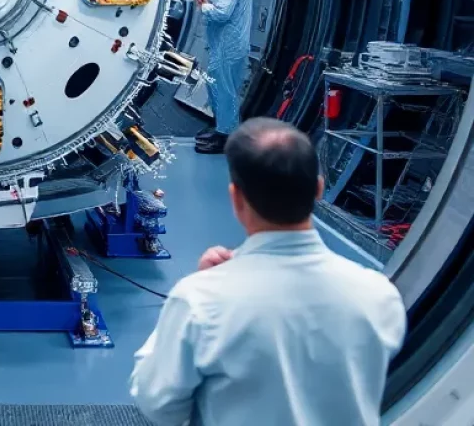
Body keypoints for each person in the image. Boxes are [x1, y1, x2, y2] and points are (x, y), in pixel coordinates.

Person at [131, 118, 406, 426]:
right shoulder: (379, 295)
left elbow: (158, 404)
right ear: (318, 189)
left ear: (236, 198)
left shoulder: (200, 302)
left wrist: (195, 292)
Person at [194, 0, 252, 154]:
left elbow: (221, 14)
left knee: (224, 90)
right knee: (218, 87)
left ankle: (227, 137)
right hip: (228, 46)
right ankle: (222, 129)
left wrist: (204, 6)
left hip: (228, 47)